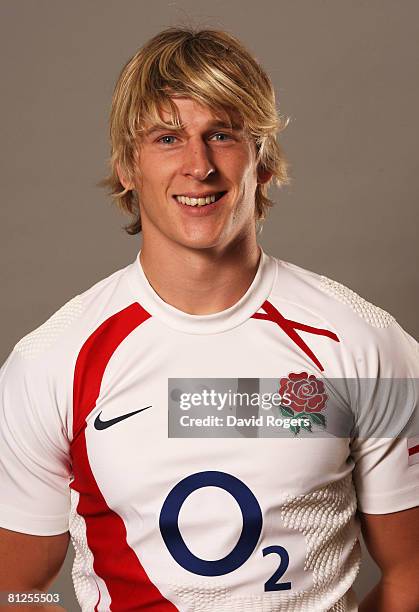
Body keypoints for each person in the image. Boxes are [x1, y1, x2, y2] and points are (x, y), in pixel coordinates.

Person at [0, 26, 418, 612]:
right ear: (126, 166)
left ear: (262, 159)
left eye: (221, 135)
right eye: (167, 138)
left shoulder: (365, 343)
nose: (198, 165)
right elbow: (14, 589)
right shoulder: (50, 363)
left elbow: (411, 573)